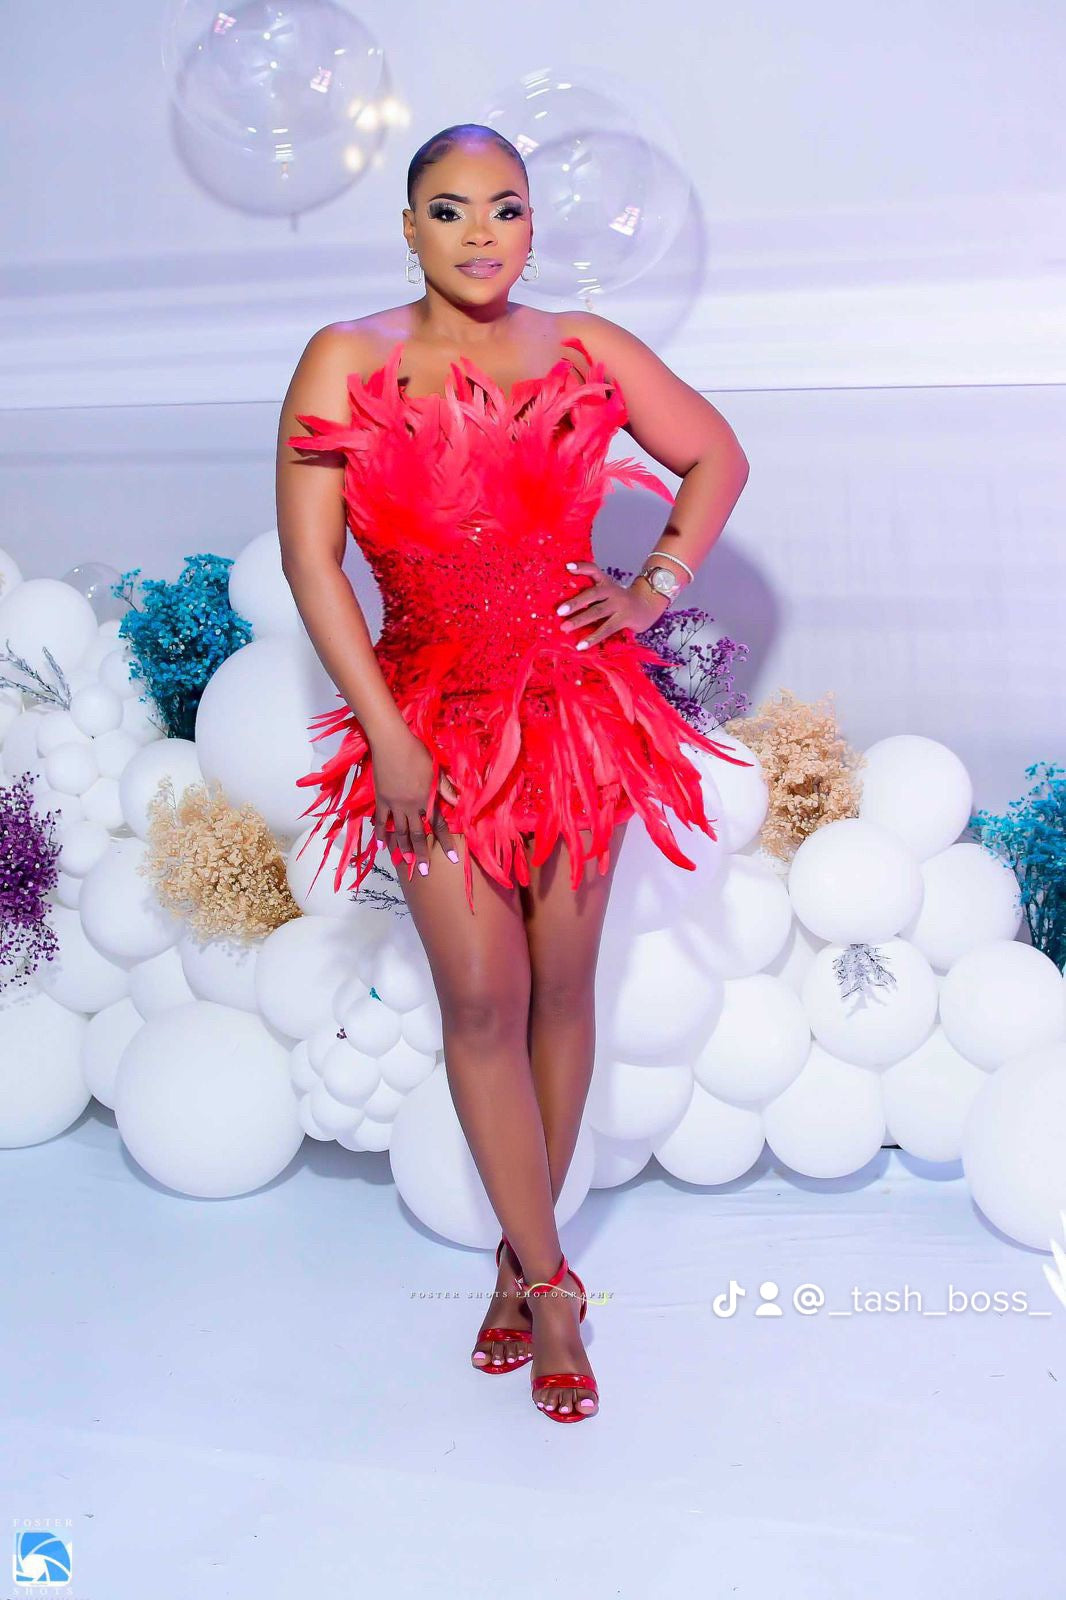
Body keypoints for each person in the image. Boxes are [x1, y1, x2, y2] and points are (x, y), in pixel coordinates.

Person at [276, 122, 751, 1423]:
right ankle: (554, 1285)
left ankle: (519, 1268)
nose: (479, 232)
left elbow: (716, 454)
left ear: (533, 226)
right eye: (449, 208)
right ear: (408, 228)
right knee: (479, 1002)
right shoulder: (347, 357)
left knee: (559, 992)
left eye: (505, 207)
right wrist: (386, 734)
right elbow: (312, 561)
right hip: (427, 718)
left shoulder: (583, 349)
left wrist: (651, 586)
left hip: (576, 713)